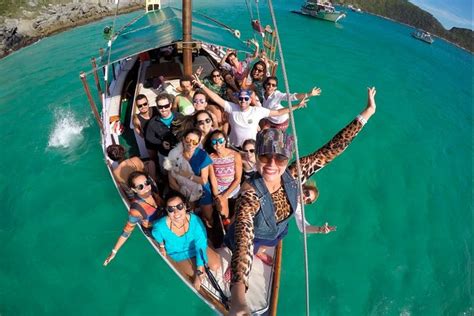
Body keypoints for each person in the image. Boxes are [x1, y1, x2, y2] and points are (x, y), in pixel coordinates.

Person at [226, 87, 377, 315]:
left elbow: (331, 150)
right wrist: (238, 296)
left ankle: (263, 250)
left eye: (279, 158)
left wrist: (366, 114)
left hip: (277, 230)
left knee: (271, 240)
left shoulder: (294, 175)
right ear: (257, 158)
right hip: (252, 235)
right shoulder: (249, 194)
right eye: (265, 156)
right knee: (246, 247)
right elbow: (244, 238)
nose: (271, 164)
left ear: (287, 160)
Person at [193, 75, 312, 148]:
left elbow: (278, 112)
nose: (243, 100)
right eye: (240, 98)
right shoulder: (232, 107)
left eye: (246, 98)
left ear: (250, 100)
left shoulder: (258, 111)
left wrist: (296, 106)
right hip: (234, 145)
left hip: (251, 148)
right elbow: (216, 98)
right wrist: (202, 86)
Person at [152, 191, 221, 290]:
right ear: (167, 211)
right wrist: (162, 246)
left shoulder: (195, 221)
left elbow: (200, 246)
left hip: (196, 248)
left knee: (215, 265)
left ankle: (202, 261)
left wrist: (199, 269)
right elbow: (156, 234)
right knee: (196, 277)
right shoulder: (160, 226)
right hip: (178, 254)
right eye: (171, 209)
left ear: (185, 206)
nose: (176, 212)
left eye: (179, 206)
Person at [103, 171, 163, 266]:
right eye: (140, 187)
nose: (146, 187)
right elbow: (127, 231)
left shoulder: (152, 191)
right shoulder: (136, 210)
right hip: (154, 229)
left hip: (163, 218)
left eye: (147, 183)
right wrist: (114, 252)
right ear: (134, 190)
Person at [168, 128, 215, 227]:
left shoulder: (202, 155)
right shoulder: (175, 154)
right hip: (183, 190)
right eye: (188, 140)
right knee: (190, 216)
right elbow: (171, 181)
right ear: (183, 139)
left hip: (202, 189)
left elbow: (203, 180)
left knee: (208, 215)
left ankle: (211, 229)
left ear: (198, 143)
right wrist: (184, 194)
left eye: (194, 142)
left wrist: (187, 175)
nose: (190, 144)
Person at [205, 130, 242, 225]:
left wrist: (224, 196)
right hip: (219, 188)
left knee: (235, 210)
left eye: (220, 141)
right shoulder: (211, 158)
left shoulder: (235, 155)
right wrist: (217, 195)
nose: (218, 144)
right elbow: (213, 178)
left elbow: (238, 179)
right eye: (214, 142)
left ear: (225, 141)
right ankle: (226, 226)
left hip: (233, 188)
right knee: (223, 211)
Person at [145, 93, 183, 171]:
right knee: (166, 174)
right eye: (160, 107)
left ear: (171, 105)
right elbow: (149, 137)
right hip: (165, 155)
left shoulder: (180, 117)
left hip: (181, 153)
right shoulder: (152, 123)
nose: (164, 109)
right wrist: (161, 142)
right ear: (157, 107)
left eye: (166, 106)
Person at [132, 94, 158, 160]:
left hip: (161, 139)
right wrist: (144, 136)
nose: (143, 107)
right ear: (137, 107)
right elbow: (137, 129)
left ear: (148, 103)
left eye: (145, 104)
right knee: (153, 159)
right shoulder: (137, 119)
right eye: (140, 106)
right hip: (150, 144)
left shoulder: (156, 109)